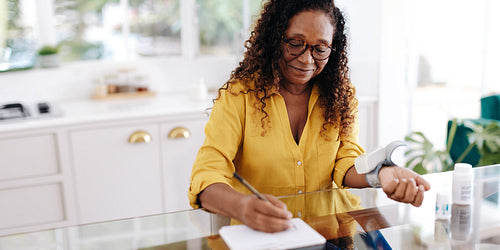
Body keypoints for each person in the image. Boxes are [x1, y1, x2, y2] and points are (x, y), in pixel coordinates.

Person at [188, 0, 431, 233]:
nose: (306, 59)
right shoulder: (239, 96)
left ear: (331, 48)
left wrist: (381, 174)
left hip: (331, 232)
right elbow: (207, 174)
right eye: (295, 43)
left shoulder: (340, 96)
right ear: (275, 39)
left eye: (320, 48)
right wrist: (241, 206)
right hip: (263, 237)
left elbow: (345, 162)